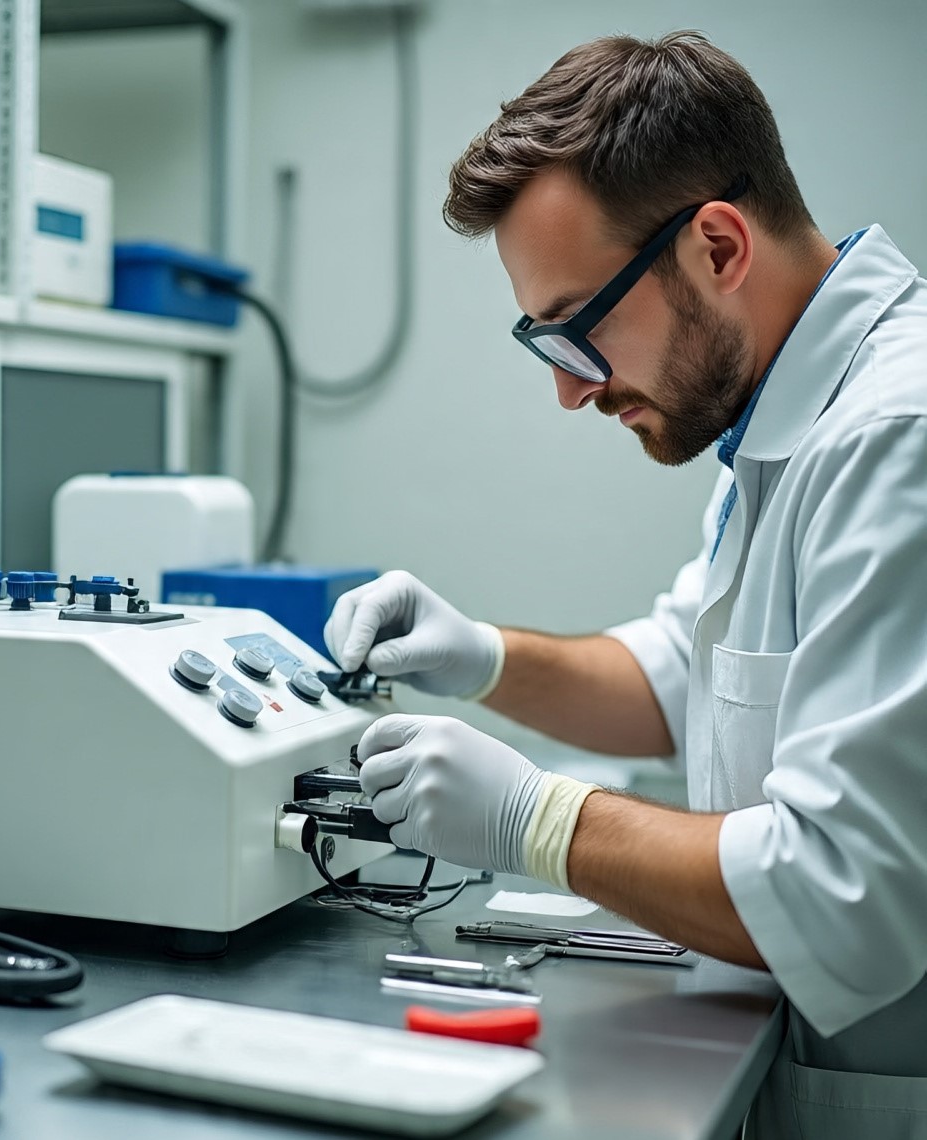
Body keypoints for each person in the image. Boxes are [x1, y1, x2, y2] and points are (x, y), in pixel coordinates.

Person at [323, 31, 927, 1139]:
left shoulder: (897, 439)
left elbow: (843, 893)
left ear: (714, 246)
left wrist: (532, 816)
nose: (571, 393)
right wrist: (484, 658)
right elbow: (680, 679)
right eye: (544, 344)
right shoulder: (780, 416)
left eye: (580, 332)